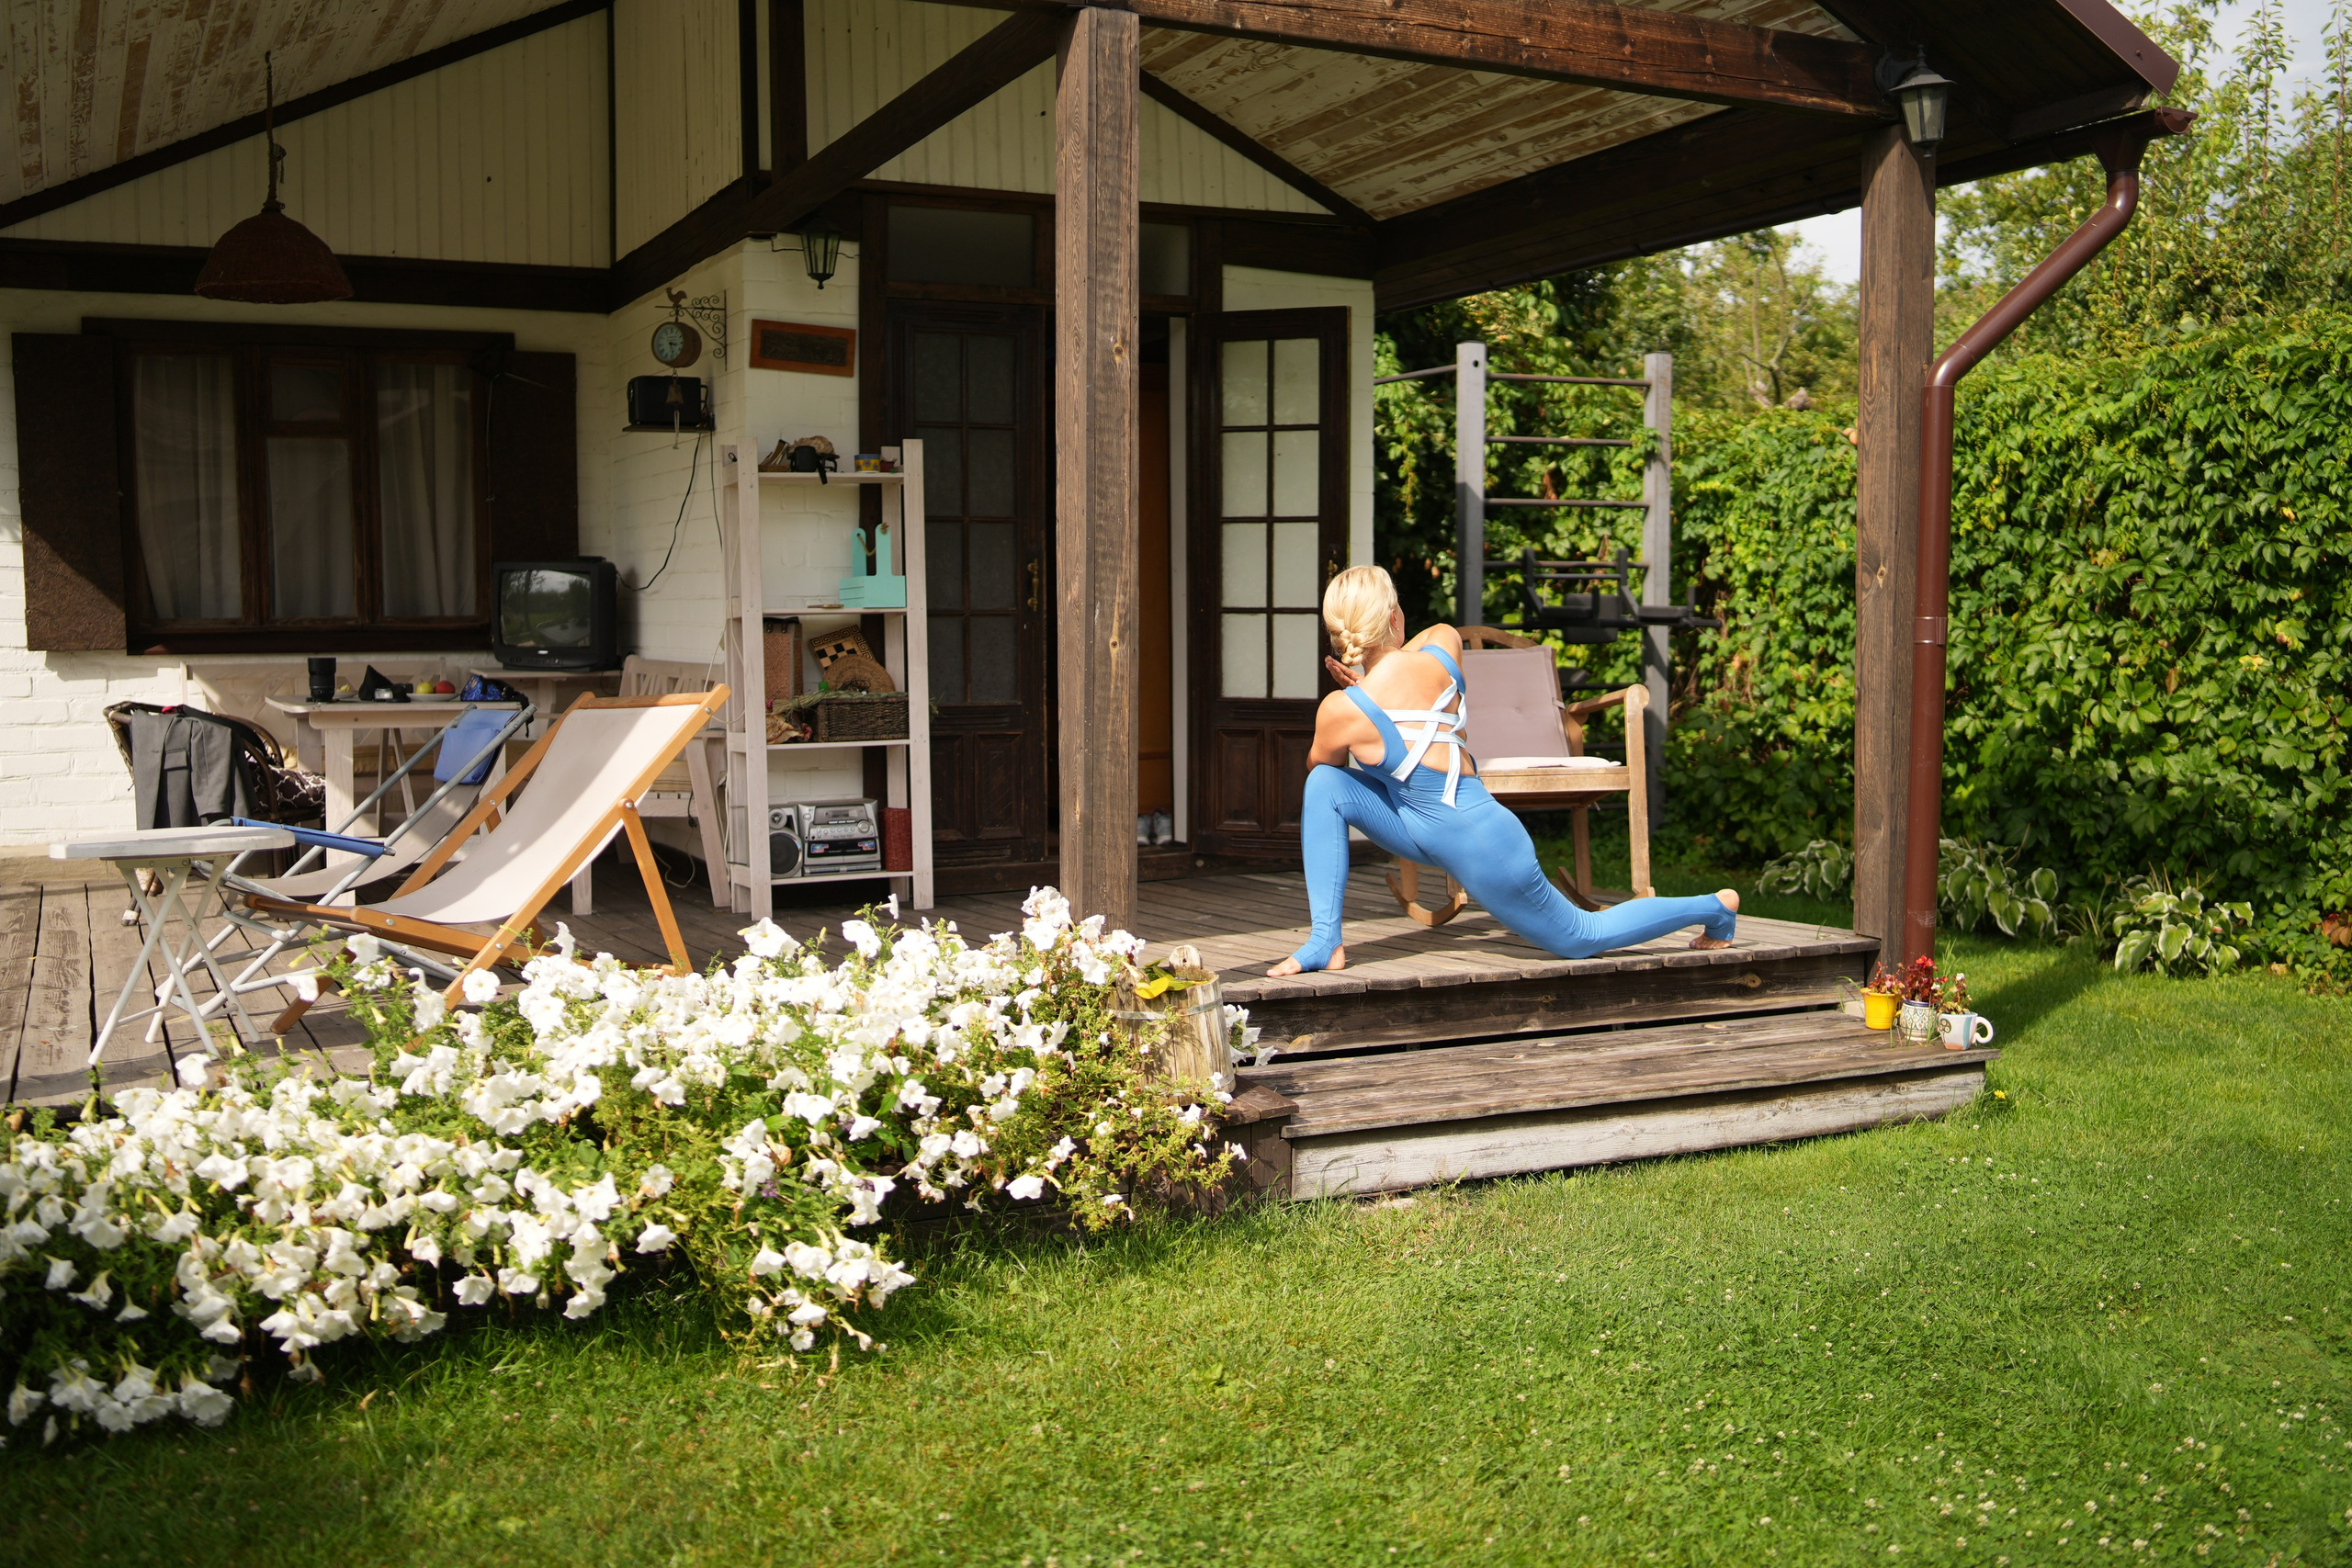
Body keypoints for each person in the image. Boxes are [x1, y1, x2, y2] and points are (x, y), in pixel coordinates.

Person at [1266, 565, 1738, 977]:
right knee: (1325, 786)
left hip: (1480, 841)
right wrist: (1378, 668)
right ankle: (1325, 941)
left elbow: (1321, 763)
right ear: (1394, 618)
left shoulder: (1340, 709)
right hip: (1422, 826)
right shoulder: (1443, 649)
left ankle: (1715, 908)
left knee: (1579, 937)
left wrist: (1365, 684)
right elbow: (1425, 642)